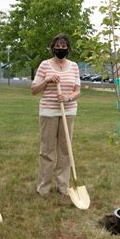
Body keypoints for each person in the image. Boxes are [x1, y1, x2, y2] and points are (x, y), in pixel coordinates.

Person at [31, 34, 81, 197]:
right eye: (57, 46)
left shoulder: (73, 66)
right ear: (53, 48)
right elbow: (34, 90)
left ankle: (63, 186)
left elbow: (77, 91)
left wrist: (67, 98)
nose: (61, 49)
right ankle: (44, 186)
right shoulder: (45, 65)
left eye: (63, 46)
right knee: (47, 150)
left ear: (68, 49)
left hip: (68, 111)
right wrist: (47, 81)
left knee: (65, 150)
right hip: (49, 112)